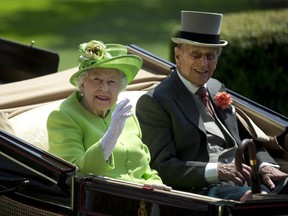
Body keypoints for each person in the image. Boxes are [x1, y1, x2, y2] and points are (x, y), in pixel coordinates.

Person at [136, 11, 288, 201]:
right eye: (196, 54)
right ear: (178, 55)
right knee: (257, 201)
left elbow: (245, 139)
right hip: (203, 191)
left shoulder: (216, 87)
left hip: (248, 180)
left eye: (210, 55)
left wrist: (265, 166)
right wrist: (217, 171)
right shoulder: (156, 101)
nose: (203, 62)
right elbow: (162, 166)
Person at [47, 40, 163, 185]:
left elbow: (146, 170)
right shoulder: (63, 117)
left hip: (142, 200)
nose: (105, 88)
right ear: (82, 84)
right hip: (101, 199)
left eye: (112, 82)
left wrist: (157, 186)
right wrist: (111, 136)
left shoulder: (124, 114)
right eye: (97, 79)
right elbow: (76, 175)